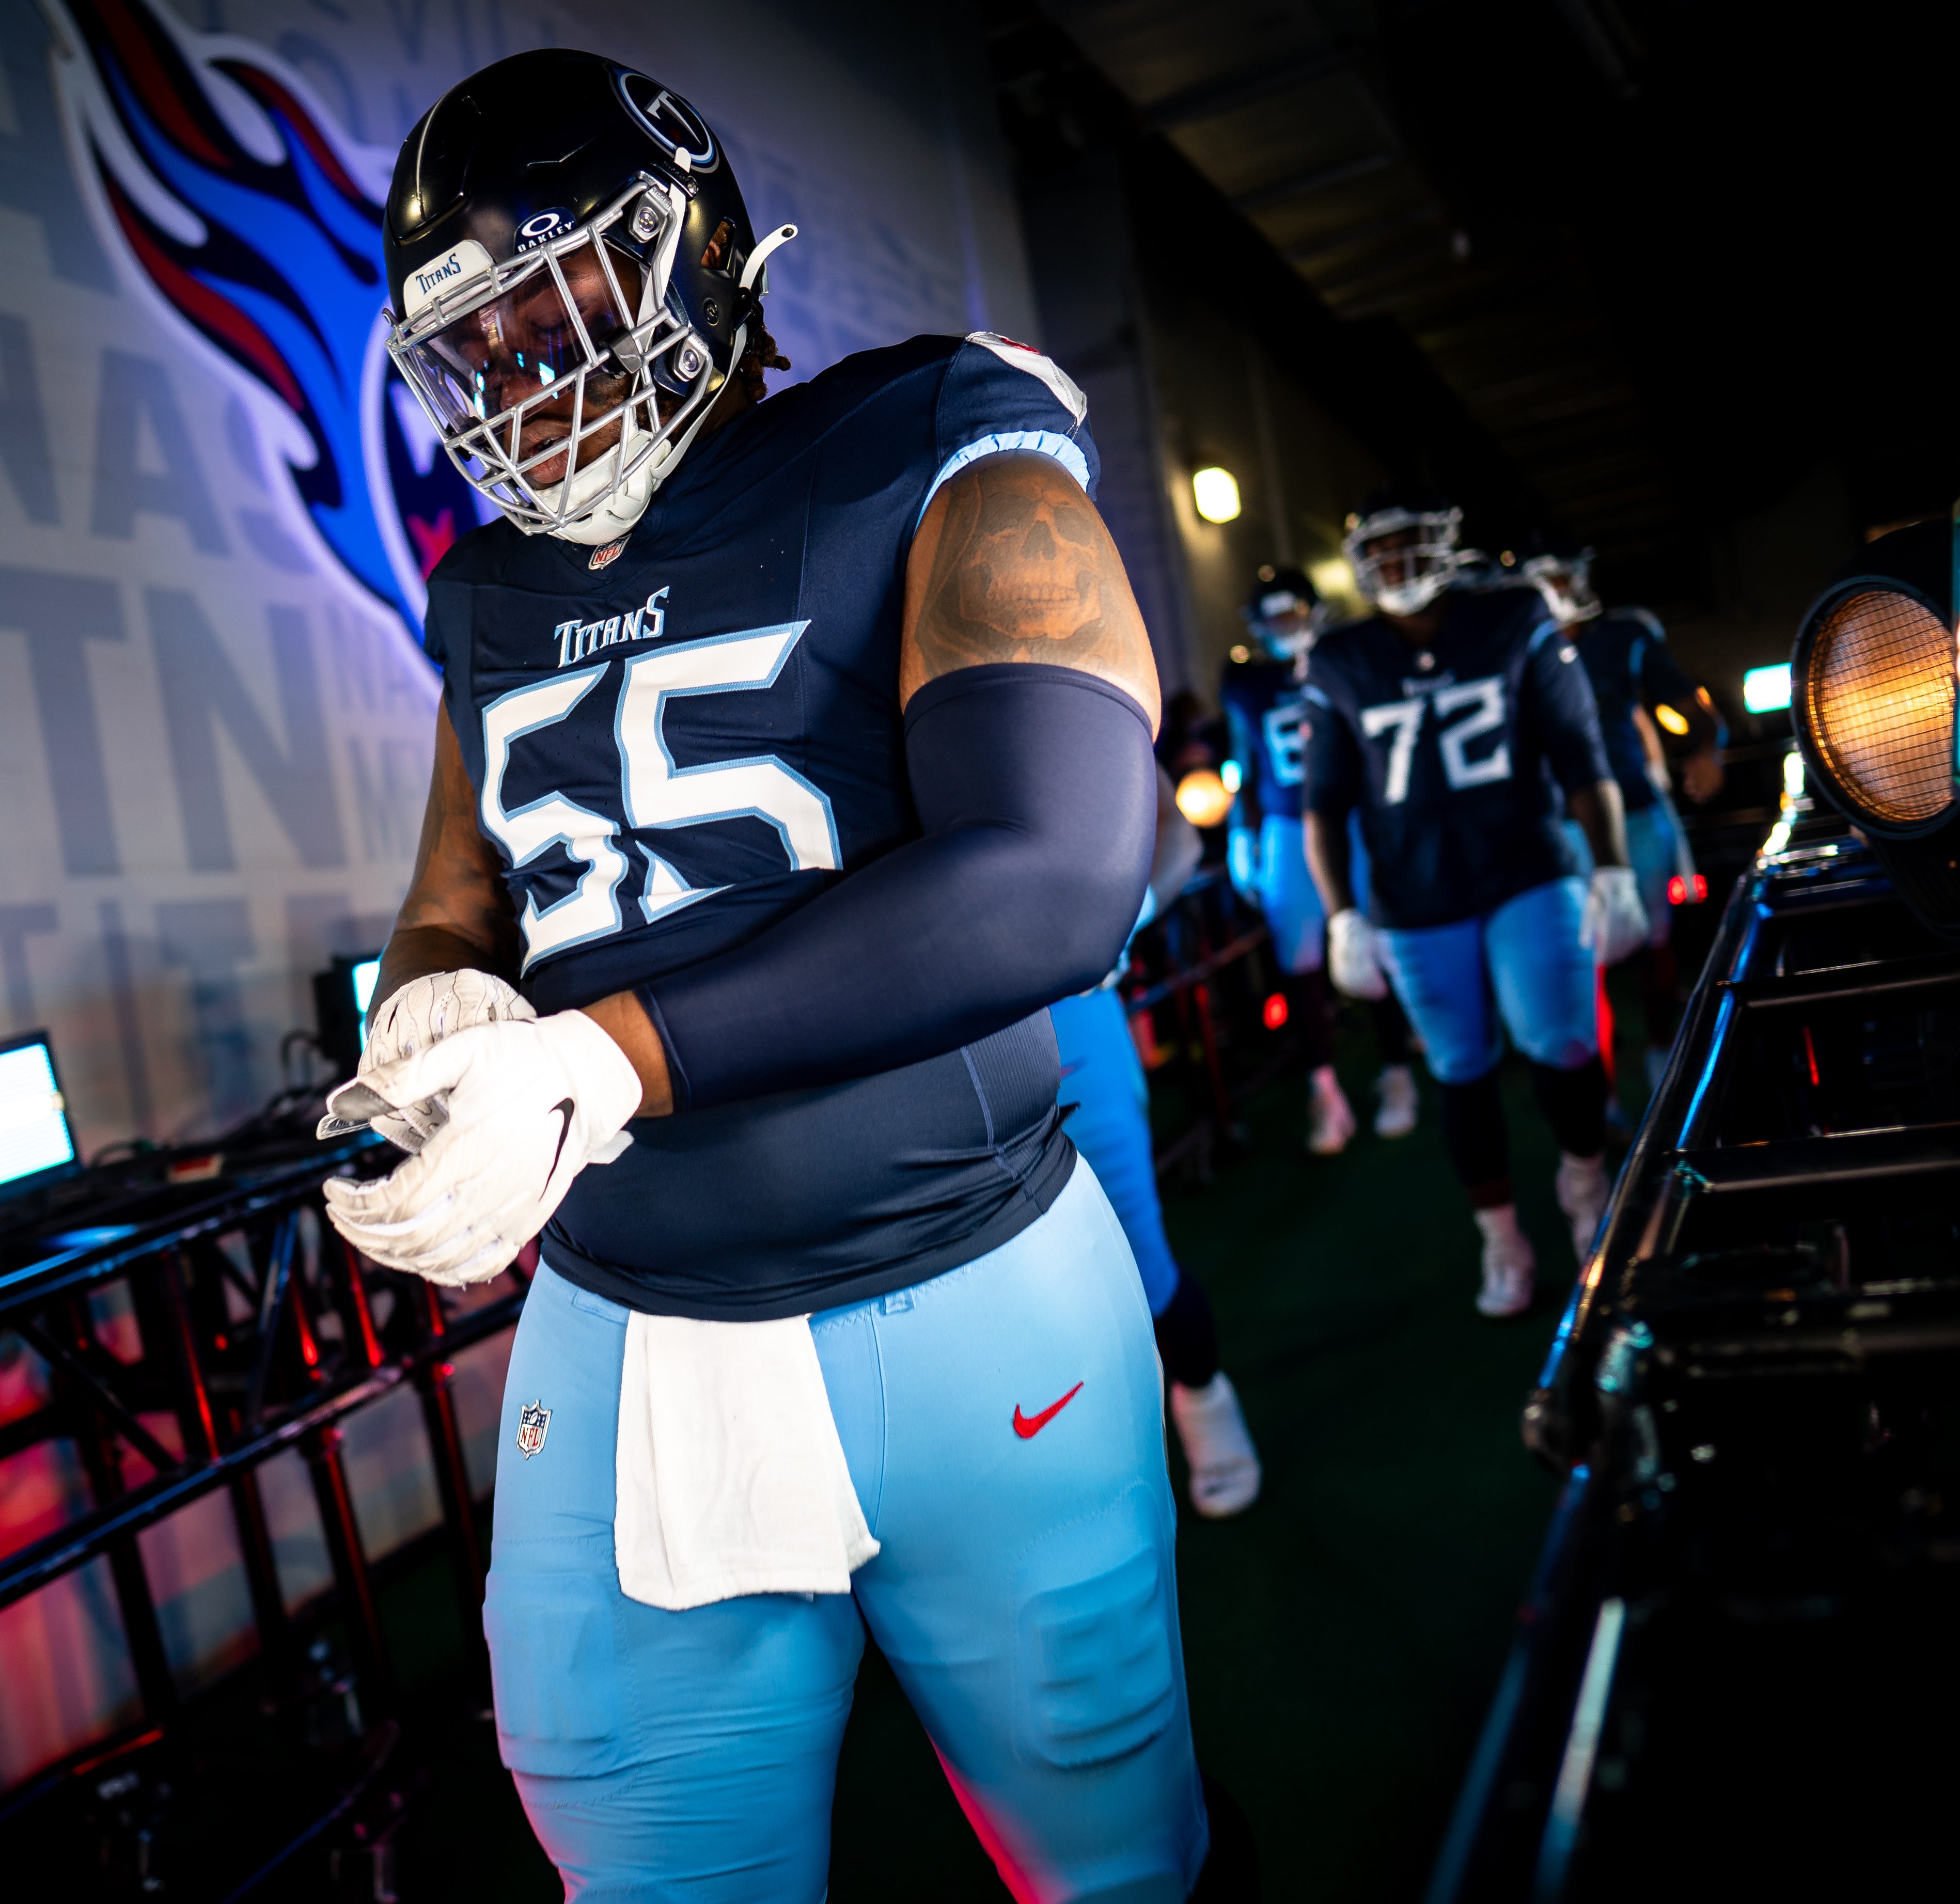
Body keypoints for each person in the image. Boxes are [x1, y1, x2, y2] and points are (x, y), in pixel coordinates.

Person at [320, 50, 1206, 1900]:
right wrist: (429, 1006)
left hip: (957, 1286)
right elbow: (456, 899)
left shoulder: (928, 429)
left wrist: (610, 1059)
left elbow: (1050, 873)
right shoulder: (482, 587)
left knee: (1110, 1862)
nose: (520, 374)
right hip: (623, 1319)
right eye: (472, 340)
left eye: (554, 297)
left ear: (696, 251)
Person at [1301, 492, 1649, 1317]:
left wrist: (1612, 866)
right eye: (1377, 551)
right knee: (1459, 1068)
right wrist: (1341, 911)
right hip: (1414, 895)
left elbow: (1578, 752)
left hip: (1528, 865)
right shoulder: (1339, 655)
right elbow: (1323, 801)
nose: (1394, 565)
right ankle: (1501, 1237)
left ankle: (1583, 1186)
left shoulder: (1512, 615)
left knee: (1562, 1040)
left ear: (1445, 544)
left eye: (1408, 544)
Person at [1052, 764, 1262, 1517]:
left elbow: (1169, 825)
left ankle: (1202, 1396)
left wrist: (1122, 910)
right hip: (913, 1038)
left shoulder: (1007, 655)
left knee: (1135, 1256)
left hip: (1057, 1005)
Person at [1220, 567, 1420, 1151]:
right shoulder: (1247, 684)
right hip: (1285, 828)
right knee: (1300, 962)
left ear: (1313, 610)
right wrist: (1242, 832)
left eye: (1292, 613)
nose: (1284, 626)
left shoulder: (1345, 658)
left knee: (1373, 946)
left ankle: (1396, 1071)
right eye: (1274, 617)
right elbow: (1241, 764)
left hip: (1351, 819)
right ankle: (1324, 1089)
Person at [1520, 544, 1723, 1085]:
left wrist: (1707, 751)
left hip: (1633, 809)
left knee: (1655, 941)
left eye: (1560, 578)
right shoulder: (1509, 648)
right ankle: (1600, 1082)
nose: (1554, 594)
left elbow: (1696, 712)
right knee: (1579, 961)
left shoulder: (1621, 637)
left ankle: (1660, 1053)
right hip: (1559, 827)